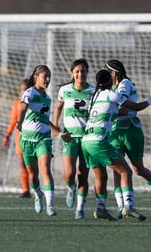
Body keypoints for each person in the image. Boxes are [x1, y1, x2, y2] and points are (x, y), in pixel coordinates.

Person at [81, 69, 151, 221]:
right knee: (125, 172)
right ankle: (128, 207)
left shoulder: (94, 97)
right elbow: (134, 107)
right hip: (98, 141)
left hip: (86, 141)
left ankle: (101, 208)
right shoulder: (112, 94)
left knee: (101, 176)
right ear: (109, 81)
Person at [104, 59, 151, 219]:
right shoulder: (111, 88)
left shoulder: (125, 85)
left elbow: (124, 110)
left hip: (131, 131)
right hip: (115, 132)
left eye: (106, 72)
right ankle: (121, 205)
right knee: (118, 168)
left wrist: (104, 114)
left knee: (138, 169)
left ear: (113, 73)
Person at [17, 65, 71, 216]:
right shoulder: (30, 92)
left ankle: (50, 205)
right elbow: (22, 108)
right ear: (36, 78)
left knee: (46, 170)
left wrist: (59, 133)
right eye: (44, 76)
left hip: (43, 139)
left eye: (49, 76)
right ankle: (37, 194)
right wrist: (19, 123)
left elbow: (45, 120)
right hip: (27, 140)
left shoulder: (47, 98)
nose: (47, 79)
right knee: (33, 175)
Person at [53, 58, 95, 219]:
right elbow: (58, 106)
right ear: (72, 73)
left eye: (83, 71)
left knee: (83, 175)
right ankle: (71, 188)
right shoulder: (64, 90)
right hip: (69, 137)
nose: (80, 74)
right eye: (77, 71)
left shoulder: (93, 91)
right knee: (69, 174)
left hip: (87, 138)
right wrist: (56, 127)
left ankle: (80, 209)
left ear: (87, 72)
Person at [2, 78, 31, 198]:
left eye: (26, 90)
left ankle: (38, 187)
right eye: (22, 90)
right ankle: (26, 190)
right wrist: (7, 135)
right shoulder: (17, 104)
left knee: (34, 164)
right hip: (20, 138)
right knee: (22, 164)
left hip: (34, 137)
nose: (24, 92)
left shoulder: (36, 102)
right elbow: (13, 121)